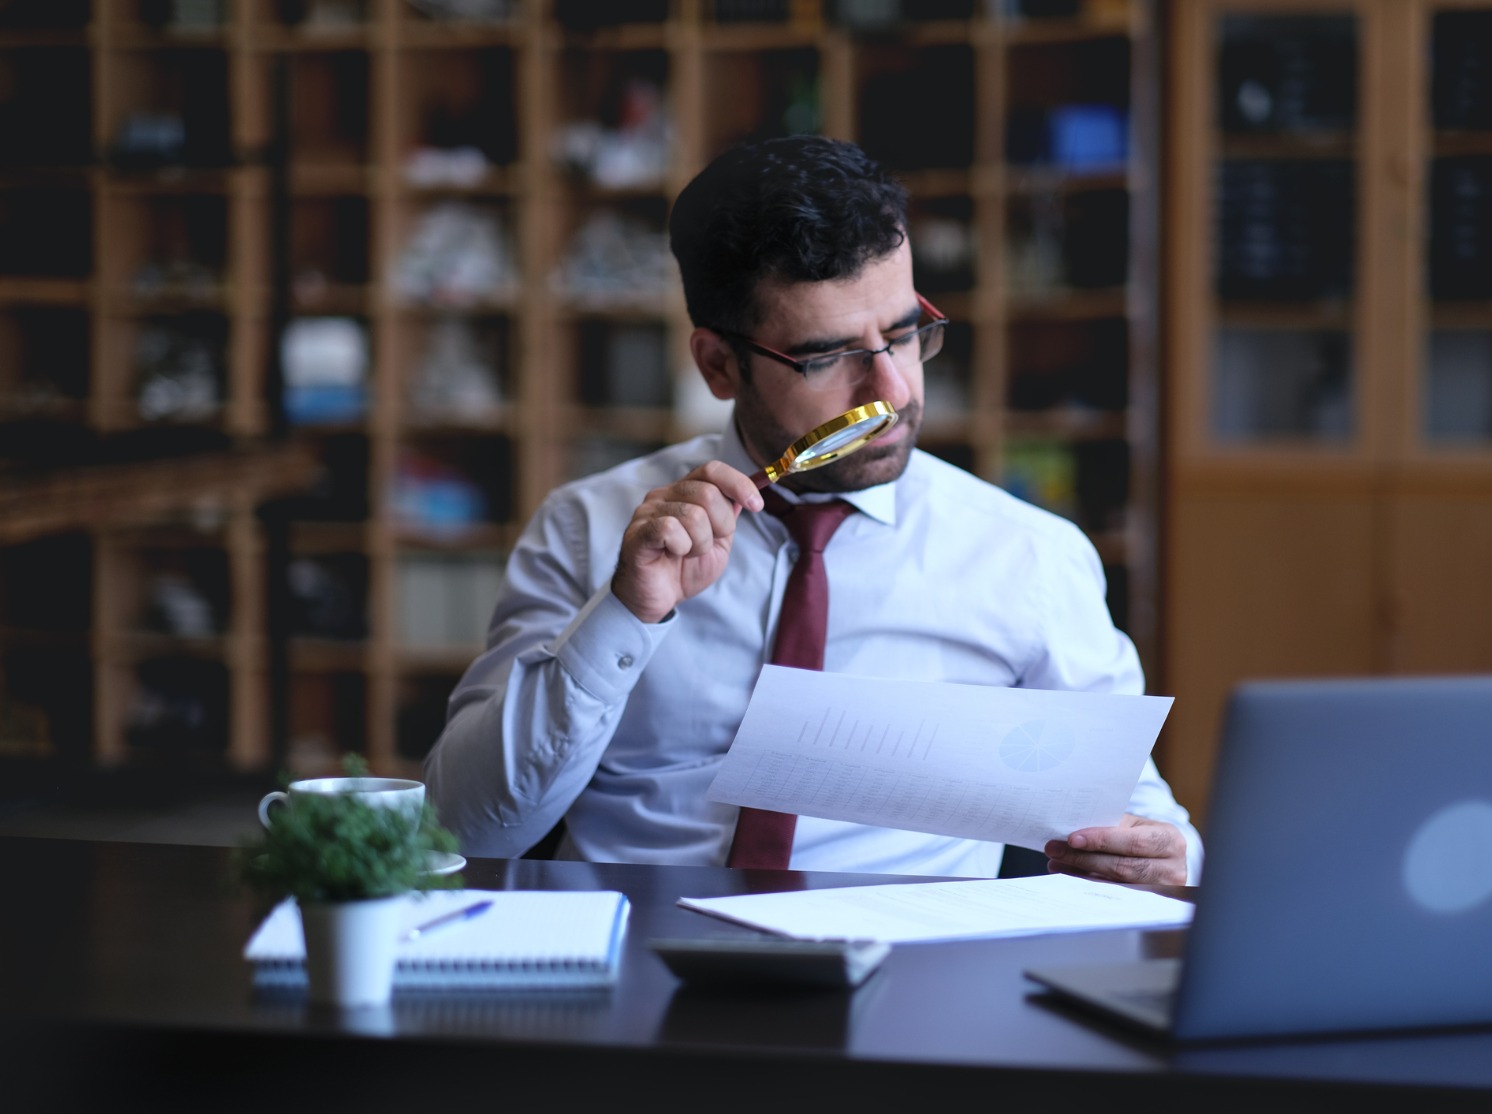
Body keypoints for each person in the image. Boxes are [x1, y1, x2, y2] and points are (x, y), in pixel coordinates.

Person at [423, 135, 1201, 883]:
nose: (892, 394)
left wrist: (1165, 858)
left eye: (903, 336)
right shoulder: (586, 529)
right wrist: (624, 614)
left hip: (907, 978)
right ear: (719, 365)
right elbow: (464, 830)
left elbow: (1142, 824)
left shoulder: (1028, 557)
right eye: (828, 358)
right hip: (640, 960)